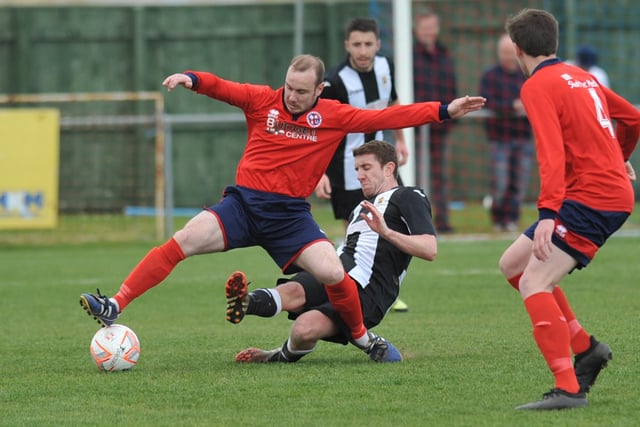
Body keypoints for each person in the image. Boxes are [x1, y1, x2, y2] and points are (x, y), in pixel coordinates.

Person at [78, 54, 486, 358]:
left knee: (331, 270)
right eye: (289, 86)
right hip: (243, 205)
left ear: (319, 91)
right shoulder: (263, 101)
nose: (291, 95)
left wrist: (444, 111)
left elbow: (392, 115)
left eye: (301, 90)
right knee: (185, 238)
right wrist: (191, 78)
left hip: (290, 217)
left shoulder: (334, 116)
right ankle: (116, 303)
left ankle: (362, 336)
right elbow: (223, 86)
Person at [501, 8, 640, 410]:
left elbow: (549, 151)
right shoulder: (583, 76)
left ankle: (569, 388)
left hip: (593, 198)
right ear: (554, 43)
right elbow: (632, 118)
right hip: (595, 191)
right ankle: (586, 348)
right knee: (512, 265)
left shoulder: (537, 85)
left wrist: (547, 214)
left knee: (533, 283)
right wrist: (619, 156)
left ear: (516, 49)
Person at [225, 140, 436, 363]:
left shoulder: (409, 195)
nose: (360, 175)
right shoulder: (360, 207)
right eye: (357, 169)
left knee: (303, 329)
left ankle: (277, 356)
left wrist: (387, 232)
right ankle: (246, 302)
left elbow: (429, 249)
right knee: (293, 291)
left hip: (370, 288)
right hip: (337, 269)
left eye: (366, 168)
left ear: (389, 168)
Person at [317, 17, 410, 313]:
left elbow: (393, 105)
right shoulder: (335, 80)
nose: (363, 50)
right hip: (346, 168)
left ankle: (388, 288)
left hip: (382, 163)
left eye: (368, 44)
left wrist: (402, 141)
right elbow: (318, 129)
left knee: (398, 224)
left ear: (378, 45)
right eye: (356, 44)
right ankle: (347, 292)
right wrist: (319, 172)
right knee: (355, 235)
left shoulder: (386, 66)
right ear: (347, 46)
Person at [478, 33, 533, 232]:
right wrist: (512, 106)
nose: (508, 57)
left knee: (518, 183)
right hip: (499, 138)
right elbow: (487, 102)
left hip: (523, 137)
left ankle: (512, 220)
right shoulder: (490, 76)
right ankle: (497, 219)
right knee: (500, 183)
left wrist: (527, 106)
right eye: (504, 53)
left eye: (511, 53)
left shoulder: (527, 75)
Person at [413, 7, 457, 233]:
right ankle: (419, 222)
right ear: (417, 29)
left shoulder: (444, 55)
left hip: (440, 129)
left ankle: (443, 221)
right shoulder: (409, 55)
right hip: (417, 129)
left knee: (441, 177)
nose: (429, 32)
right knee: (418, 176)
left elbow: (451, 87)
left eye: (432, 27)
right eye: (425, 28)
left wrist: (450, 115)